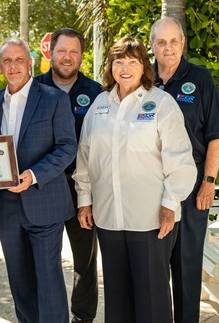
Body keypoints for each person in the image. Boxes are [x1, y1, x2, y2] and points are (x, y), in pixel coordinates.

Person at [73, 37, 197, 323]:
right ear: (111, 66)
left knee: (152, 299)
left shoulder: (161, 103)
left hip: (151, 220)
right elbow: (85, 156)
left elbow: (180, 160)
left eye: (133, 61)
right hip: (108, 218)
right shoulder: (100, 105)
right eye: (119, 61)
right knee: (117, 298)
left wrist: (169, 204)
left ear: (144, 66)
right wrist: (84, 200)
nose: (125, 68)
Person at [0, 38, 77, 323]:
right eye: (7, 60)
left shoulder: (54, 98)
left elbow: (67, 147)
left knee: (48, 277)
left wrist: (32, 175)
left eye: (19, 60)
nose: (13, 66)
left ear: (30, 63)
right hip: (6, 205)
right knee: (19, 279)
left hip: (45, 203)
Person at [151, 17, 219, 323]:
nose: (168, 48)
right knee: (151, 264)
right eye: (161, 42)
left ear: (183, 43)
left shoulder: (201, 79)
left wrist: (208, 182)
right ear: (152, 45)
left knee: (187, 265)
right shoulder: (142, 78)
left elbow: (214, 135)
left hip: (192, 188)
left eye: (174, 41)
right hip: (150, 187)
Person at [35, 28, 102, 323]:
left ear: (81, 56)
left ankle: (83, 317)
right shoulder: (32, 87)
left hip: (81, 188)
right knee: (42, 259)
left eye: (74, 52)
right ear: (50, 52)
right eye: (62, 51)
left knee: (84, 261)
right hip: (41, 186)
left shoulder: (96, 92)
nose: (67, 57)